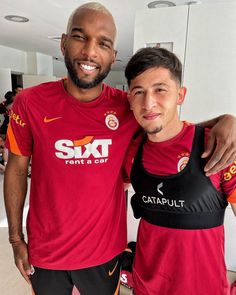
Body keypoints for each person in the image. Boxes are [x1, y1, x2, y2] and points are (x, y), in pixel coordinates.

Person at [3, 2, 236, 295]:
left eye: (103, 43)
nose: (89, 51)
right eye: (79, 37)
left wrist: (226, 121)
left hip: (105, 253)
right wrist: (15, 239)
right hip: (46, 252)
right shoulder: (30, 103)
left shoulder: (124, 107)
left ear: (113, 56)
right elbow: (16, 166)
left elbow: (169, 128)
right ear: (63, 43)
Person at [124, 47, 236, 295]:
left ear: (180, 95)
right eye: (139, 92)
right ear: (130, 98)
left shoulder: (218, 149)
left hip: (203, 287)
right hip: (145, 285)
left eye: (160, 90)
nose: (148, 102)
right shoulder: (131, 151)